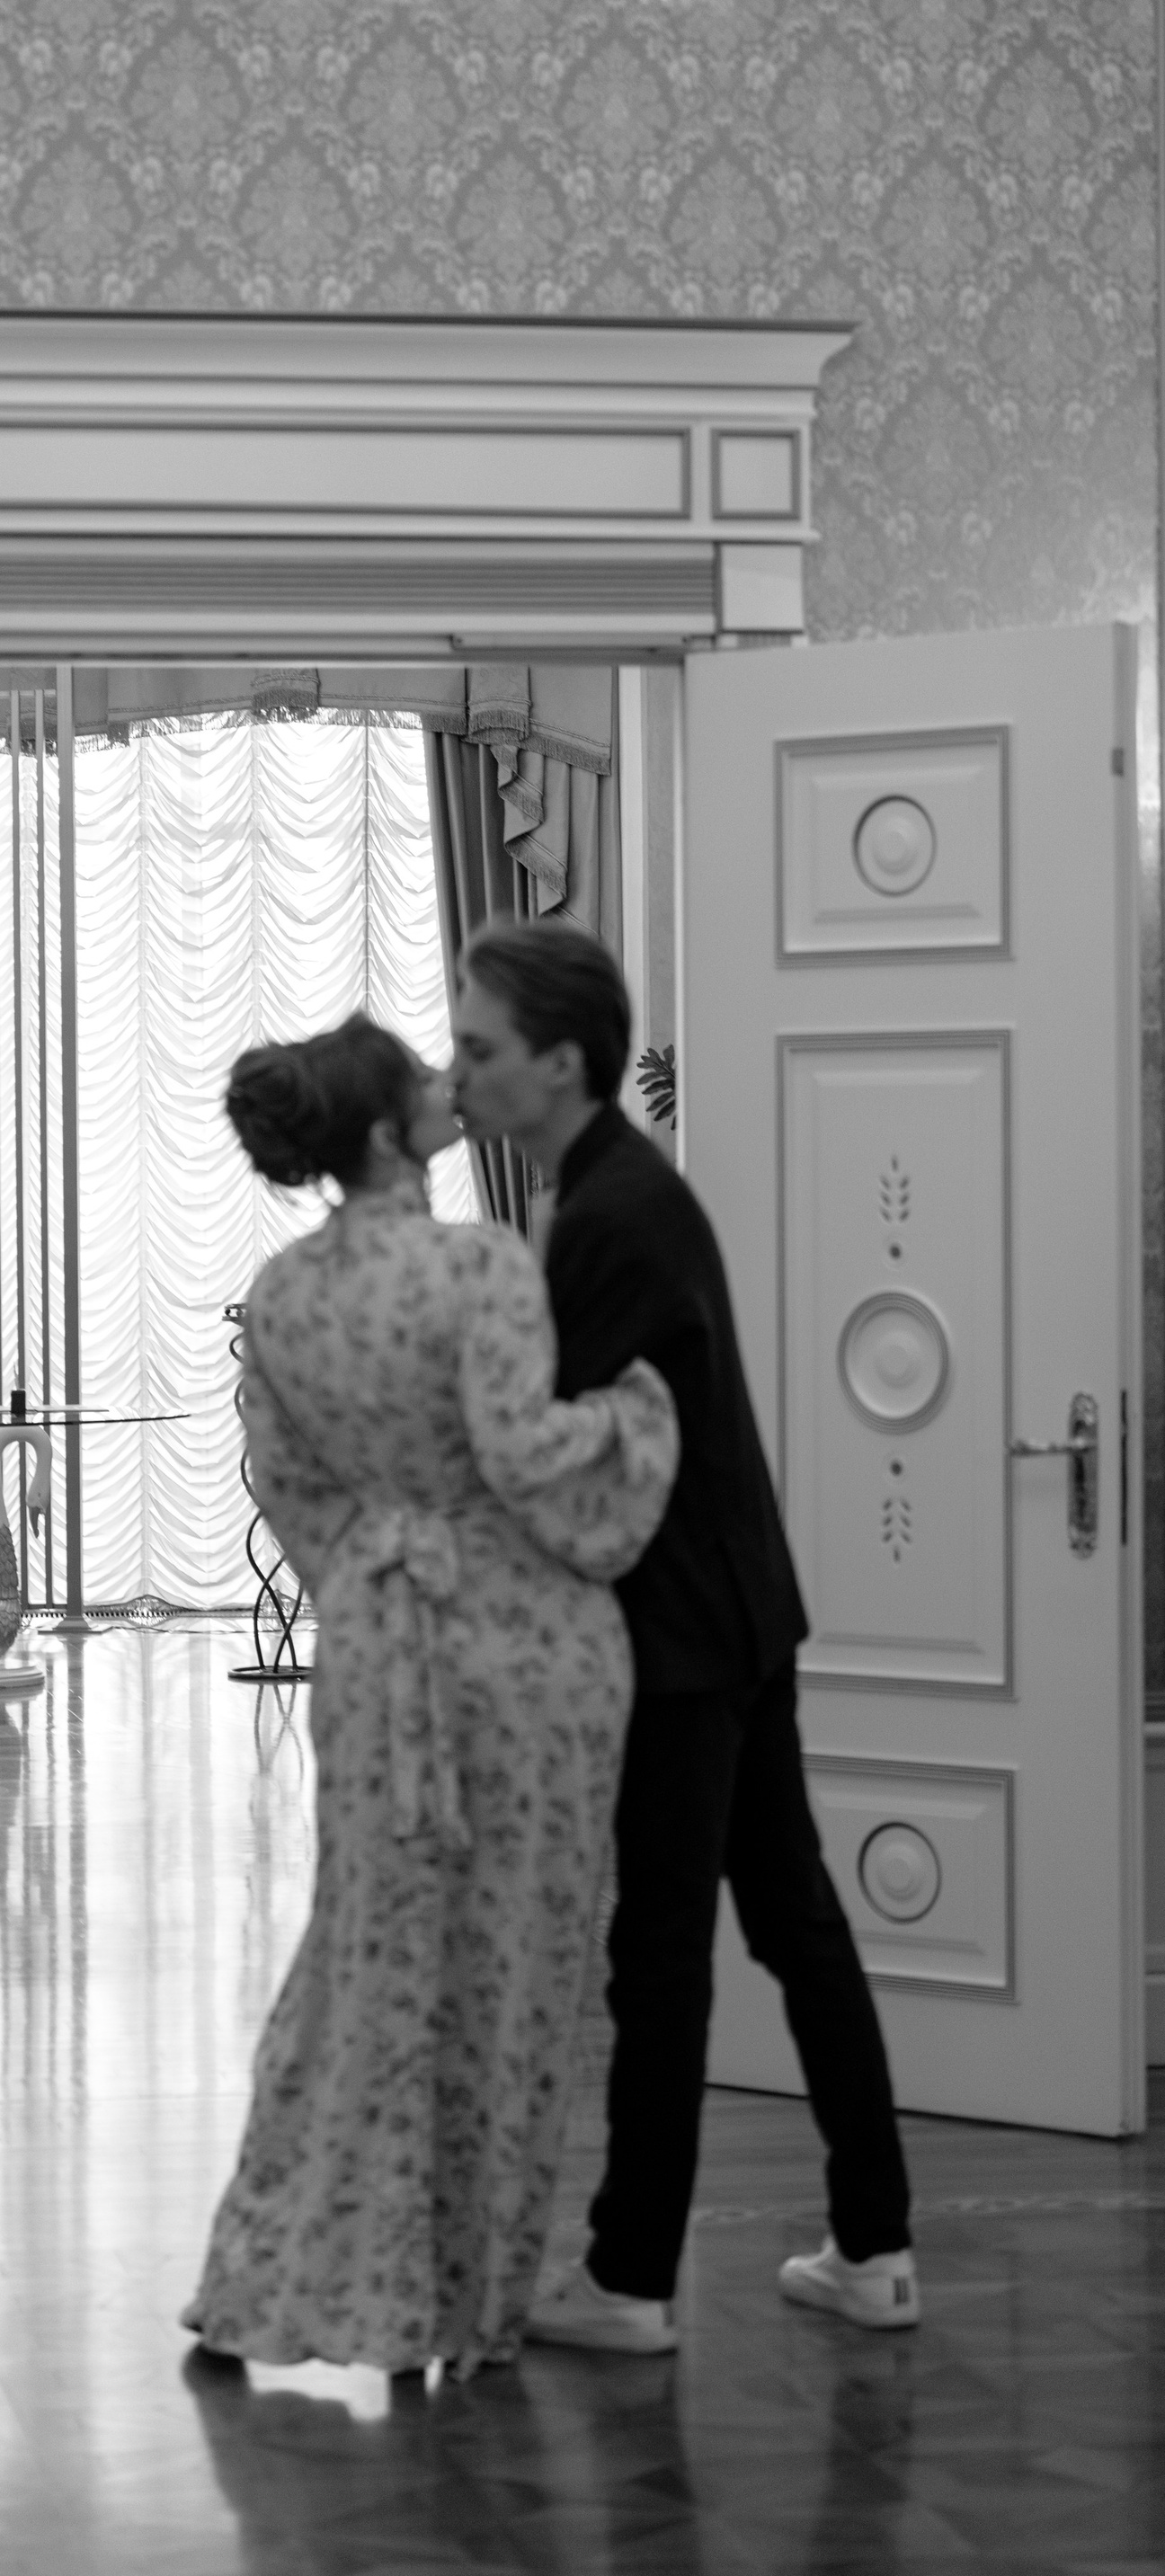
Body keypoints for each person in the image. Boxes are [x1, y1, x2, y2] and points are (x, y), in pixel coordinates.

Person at [182, 1012, 679, 2377]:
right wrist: (638, 1416)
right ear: (388, 1131)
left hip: (373, 1646)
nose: (447, 1083)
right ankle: (459, 2298)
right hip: (520, 1652)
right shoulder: (481, 1267)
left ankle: (282, 2271)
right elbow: (528, 1456)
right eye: (421, 1077)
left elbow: (288, 1489)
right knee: (511, 1971)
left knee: (370, 1949)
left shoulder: (282, 1295)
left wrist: (373, 1568)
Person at [451, 921, 919, 2357]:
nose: (458, 1073)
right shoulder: (616, 1189)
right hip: (738, 1612)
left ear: (560, 1062)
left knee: (661, 1952)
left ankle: (632, 2275)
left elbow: (561, 1451)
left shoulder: (607, 1214)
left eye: (479, 1047)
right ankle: (875, 2246)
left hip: (681, 1640)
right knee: (793, 1922)